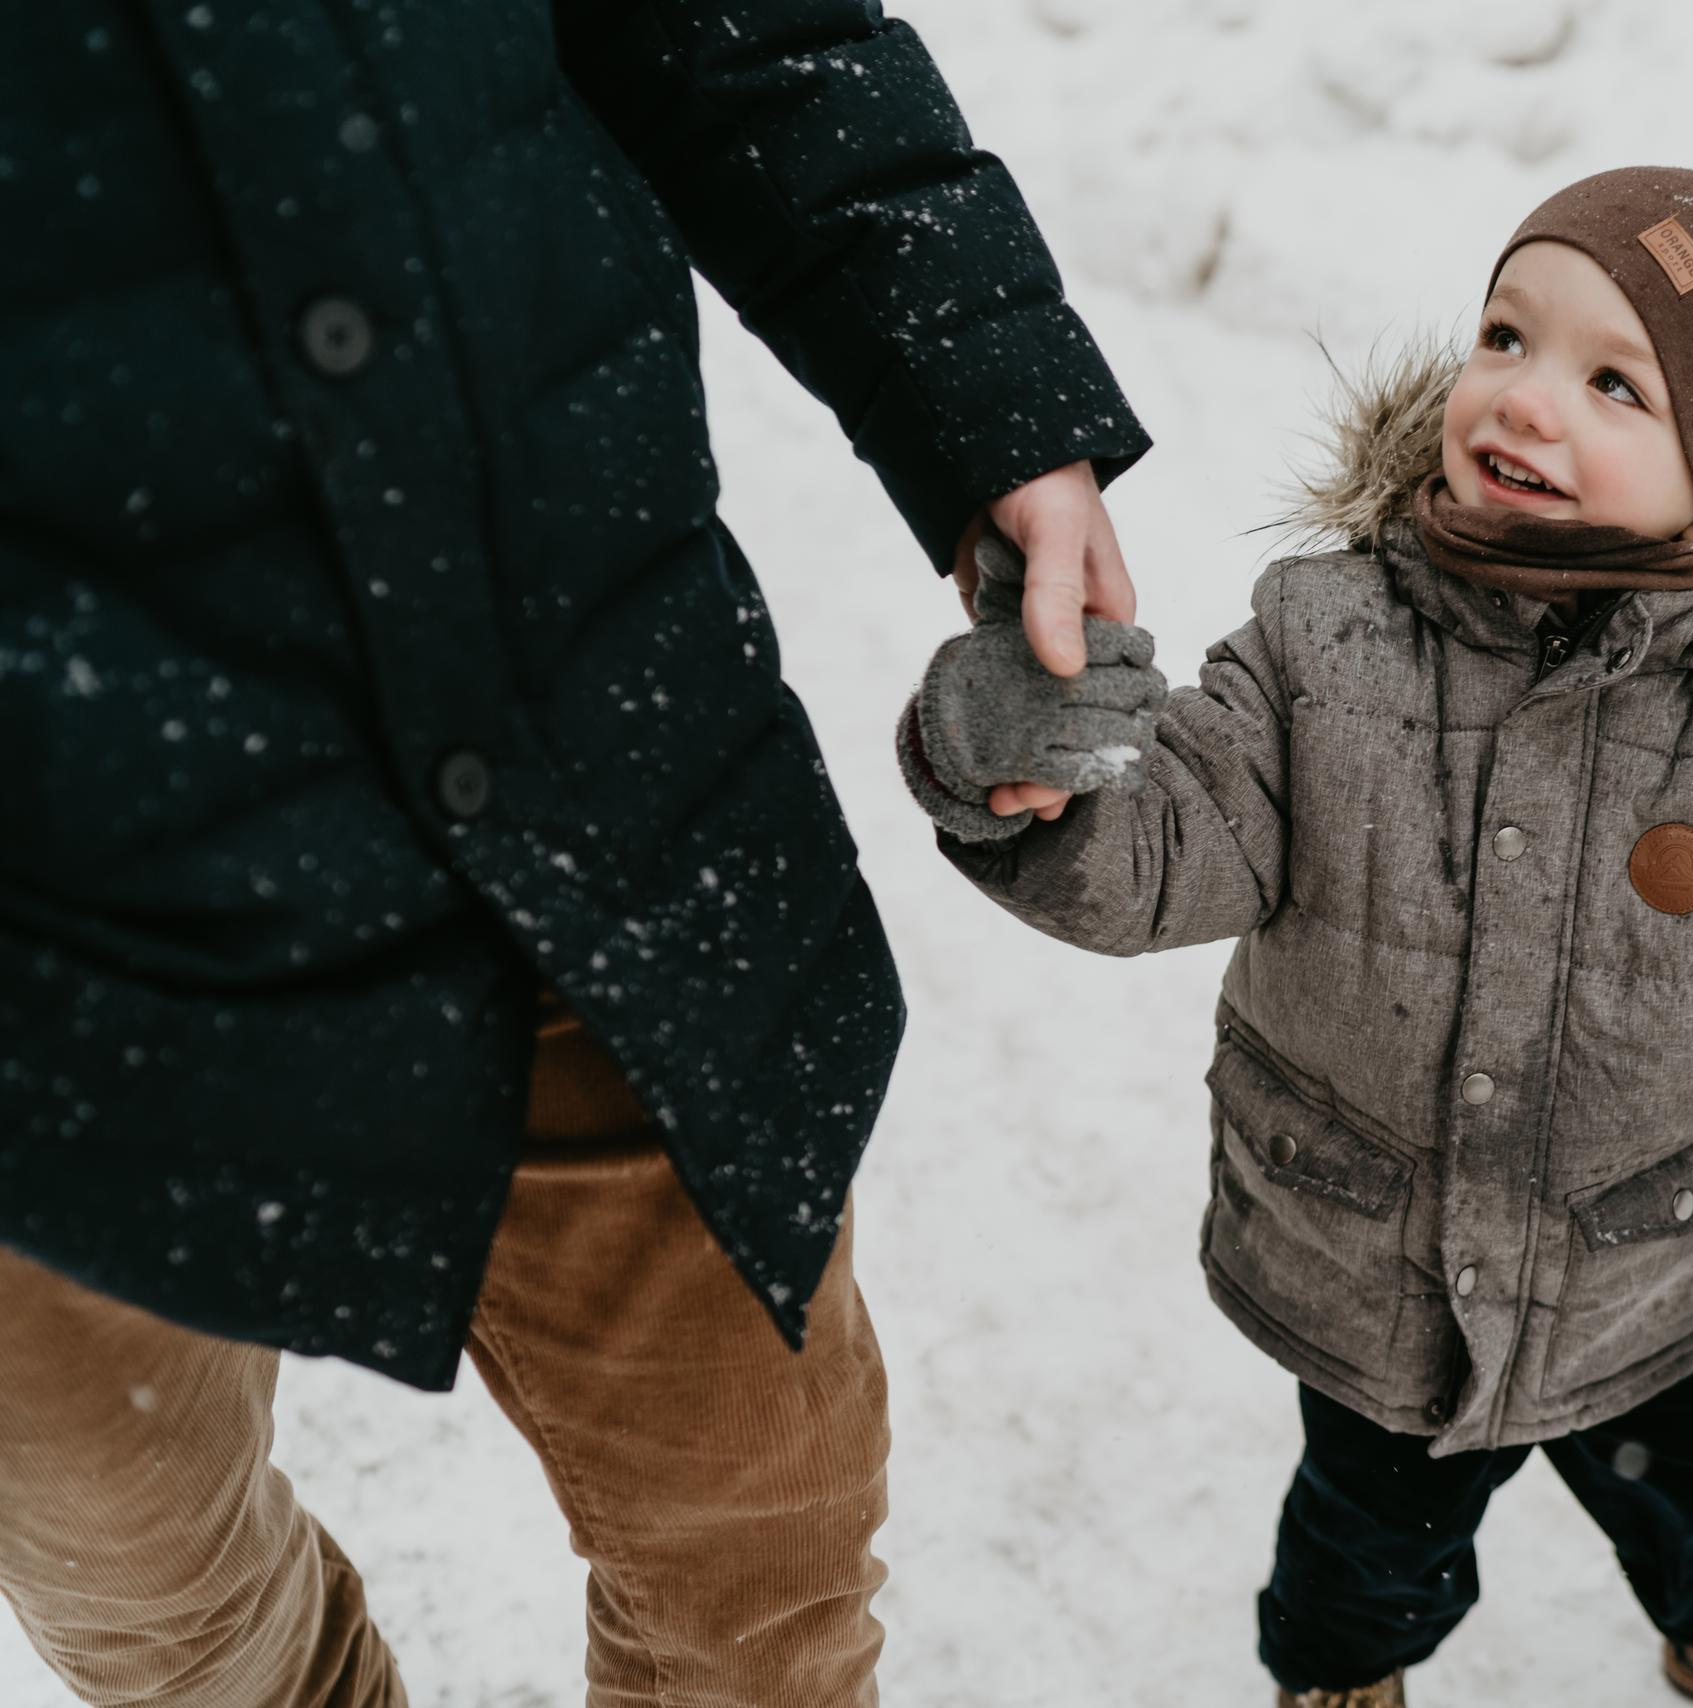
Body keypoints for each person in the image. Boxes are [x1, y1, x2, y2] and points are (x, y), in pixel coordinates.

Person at [0, 2, 1146, 1704]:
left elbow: (743, 28)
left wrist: (984, 391)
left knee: (760, 1542)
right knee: (162, 1603)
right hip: (58, 957)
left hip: (590, 774)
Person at [899, 165, 1693, 1708]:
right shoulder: (1327, 644)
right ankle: (1336, 1679)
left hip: (1659, 1283)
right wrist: (1020, 766)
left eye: (1612, 383)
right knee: (1365, 1552)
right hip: (1379, 1282)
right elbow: (1161, 853)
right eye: (1507, 335)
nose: (1523, 400)